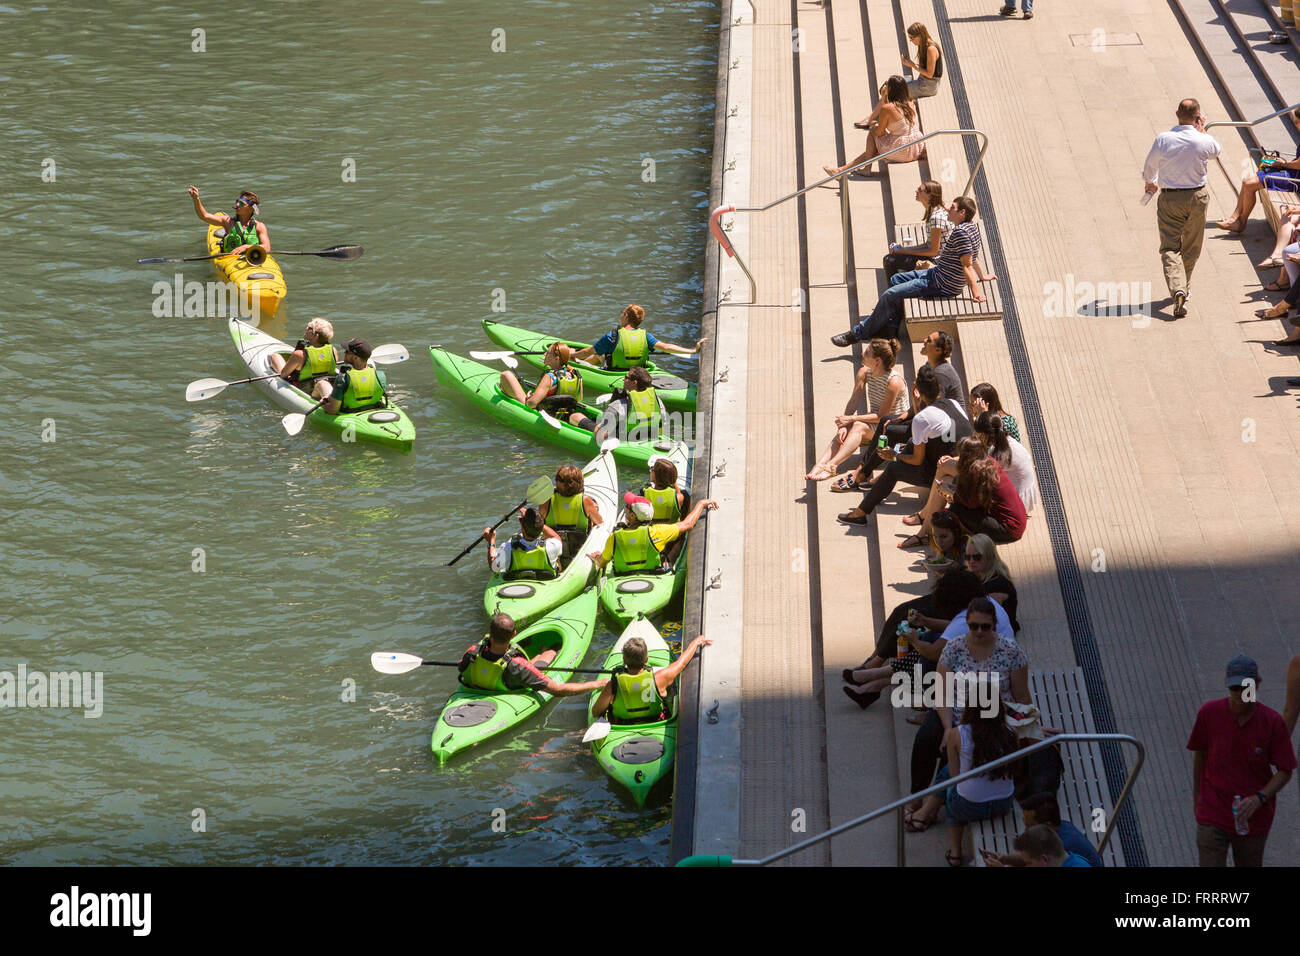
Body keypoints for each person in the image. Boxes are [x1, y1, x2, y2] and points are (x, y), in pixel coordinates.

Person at [905, 598, 1030, 821]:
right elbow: (942, 693)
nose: (979, 631)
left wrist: (1031, 725)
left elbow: (1020, 695)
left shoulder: (1011, 652)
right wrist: (946, 728)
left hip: (991, 718)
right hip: (953, 710)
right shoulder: (954, 648)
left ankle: (932, 807)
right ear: (967, 624)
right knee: (926, 738)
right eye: (973, 626)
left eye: (985, 626)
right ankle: (918, 795)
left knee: (955, 752)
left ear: (994, 625)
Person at [832, 198, 996, 345]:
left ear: (962, 212)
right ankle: (890, 330)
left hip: (941, 284)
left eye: (952, 208)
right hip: (937, 273)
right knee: (896, 279)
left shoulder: (961, 233)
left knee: (890, 294)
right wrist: (982, 276)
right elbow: (973, 256)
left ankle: (857, 334)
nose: (948, 210)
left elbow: (967, 264)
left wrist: (976, 293)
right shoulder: (971, 228)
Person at [1186, 655, 1295, 867]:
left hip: (1252, 818)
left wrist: (1259, 798)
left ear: (1257, 685)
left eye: (1245, 688)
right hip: (1213, 811)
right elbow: (1200, 756)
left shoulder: (1271, 723)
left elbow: (1285, 770)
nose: (1239, 695)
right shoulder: (1209, 714)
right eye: (1234, 688)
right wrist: (1197, 800)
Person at [830, 332, 965, 495]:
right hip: (930, 418)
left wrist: (910, 413)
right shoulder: (932, 367)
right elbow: (924, 408)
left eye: (928, 340)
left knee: (892, 431)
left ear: (937, 350)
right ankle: (863, 470)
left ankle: (861, 474)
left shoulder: (941, 375)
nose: (923, 339)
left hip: (944, 433)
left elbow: (932, 411)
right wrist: (902, 417)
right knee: (887, 420)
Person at [837, 365, 971, 525]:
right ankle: (878, 487)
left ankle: (860, 513)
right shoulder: (953, 403)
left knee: (894, 468)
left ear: (916, 388)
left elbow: (916, 460)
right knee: (908, 443)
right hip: (961, 464)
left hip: (942, 473)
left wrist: (894, 455)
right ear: (939, 388)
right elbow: (927, 423)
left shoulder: (923, 418)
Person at [908, 687, 1019, 865]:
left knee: (952, 786)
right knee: (954, 781)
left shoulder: (957, 734)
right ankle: (924, 813)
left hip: (969, 806)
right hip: (1003, 802)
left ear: (969, 707)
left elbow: (954, 776)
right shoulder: (1011, 732)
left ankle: (955, 852)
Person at [1142, 99, 1222, 318]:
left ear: (1176, 113)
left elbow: (1150, 166)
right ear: (1198, 116)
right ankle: (1183, 287)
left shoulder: (1164, 139)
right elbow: (1216, 151)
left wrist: (1149, 181)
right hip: (1198, 196)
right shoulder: (1203, 140)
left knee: (1170, 246)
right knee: (1192, 245)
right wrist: (1202, 129)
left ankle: (1178, 287)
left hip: (1170, 198)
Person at [806, 337, 910, 481]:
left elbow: (882, 416)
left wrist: (851, 419)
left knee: (858, 426)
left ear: (877, 360)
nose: (862, 354)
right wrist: (844, 424)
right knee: (847, 428)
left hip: (892, 429)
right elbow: (853, 402)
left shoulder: (894, 382)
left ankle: (831, 466)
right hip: (877, 425)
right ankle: (819, 465)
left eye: (867, 352)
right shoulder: (864, 372)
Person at [458, 612, 607, 697]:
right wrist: (597, 684)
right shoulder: (518, 666)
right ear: (514, 634)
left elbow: (461, 668)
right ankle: (547, 651)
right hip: (510, 684)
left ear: (490, 634)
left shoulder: (471, 651)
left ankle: (540, 654)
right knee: (550, 653)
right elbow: (558, 690)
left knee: (529, 665)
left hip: (478, 689)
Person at [590, 633, 712, 724]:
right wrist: (695, 643)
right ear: (646, 659)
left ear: (624, 661)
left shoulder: (612, 685)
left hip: (621, 726)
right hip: (655, 722)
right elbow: (682, 663)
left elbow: (595, 712)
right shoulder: (661, 678)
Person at [1216, 107, 1300, 233]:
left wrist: (1284, 164)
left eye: (1297, 122)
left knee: (1250, 184)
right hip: (1292, 173)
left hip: (1294, 179)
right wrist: (1283, 164)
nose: (1296, 125)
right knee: (1247, 180)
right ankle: (1234, 218)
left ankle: (1241, 222)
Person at [590, 493, 718, 574]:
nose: (625, 508)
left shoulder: (614, 537)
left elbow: (601, 563)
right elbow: (687, 524)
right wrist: (701, 504)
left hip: (623, 576)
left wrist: (596, 557)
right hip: (654, 573)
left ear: (633, 516)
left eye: (627, 507)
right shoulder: (658, 532)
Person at [823, 75, 924, 177]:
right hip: (916, 147)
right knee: (875, 148)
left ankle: (866, 169)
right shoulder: (910, 102)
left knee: (873, 132)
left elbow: (879, 133)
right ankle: (840, 171)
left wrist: (873, 125)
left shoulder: (888, 108)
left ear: (890, 89)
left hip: (902, 150)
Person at [898, 436, 988, 547]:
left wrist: (953, 495)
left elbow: (973, 501)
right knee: (945, 480)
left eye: (962, 457)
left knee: (952, 502)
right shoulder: (982, 463)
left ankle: (925, 521)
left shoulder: (980, 472)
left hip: (997, 522)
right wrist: (953, 459)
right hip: (983, 507)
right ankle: (925, 527)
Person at [572, 303, 705, 371]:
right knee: (599, 355)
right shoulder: (645, 335)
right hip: (637, 373)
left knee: (595, 355)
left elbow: (586, 352)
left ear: (625, 316)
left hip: (615, 373)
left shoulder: (612, 337)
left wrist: (571, 356)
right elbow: (666, 347)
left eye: (622, 313)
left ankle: (577, 365)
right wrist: (693, 350)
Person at [498, 342, 594, 430]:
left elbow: (531, 404)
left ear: (556, 359)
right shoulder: (576, 375)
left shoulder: (550, 377)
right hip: (566, 412)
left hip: (547, 414)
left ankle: (507, 397)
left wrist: (529, 398)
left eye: (548, 353)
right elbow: (579, 399)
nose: (544, 355)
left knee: (506, 375)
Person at [942, 457, 1028, 545]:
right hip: (1018, 520)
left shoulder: (981, 475)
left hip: (1010, 530)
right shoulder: (989, 463)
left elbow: (971, 504)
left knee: (957, 509)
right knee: (958, 480)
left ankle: (965, 544)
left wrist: (953, 495)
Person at [883, 181, 951, 280]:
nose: (916, 191)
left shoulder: (936, 218)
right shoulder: (933, 211)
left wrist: (905, 252)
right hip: (935, 257)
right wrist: (904, 250)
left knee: (889, 260)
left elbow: (933, 251)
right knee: (895, 255)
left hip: (937, 263)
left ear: (930, 196)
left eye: (920, 190)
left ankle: (893, 293)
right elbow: (928, 244)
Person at [539, 464, 604, 562]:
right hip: (579, 547)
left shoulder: (546, 500)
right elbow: (599, 522)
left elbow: (539, 523)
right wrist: (594, 508)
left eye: (557, 478)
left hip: (554, 547)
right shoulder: (586, 500)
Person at [1018, 793, 1104, 868]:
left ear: (1047, 826)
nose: (1026, 831)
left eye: (1030, 826)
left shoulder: (1062, 846)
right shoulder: (1062, 826)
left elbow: (1031, 859)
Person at [975, 411, 1038, 512]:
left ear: (986, 436)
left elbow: (980, 474)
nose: (977, 437)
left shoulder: (1001, 456)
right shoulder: (1006, 442)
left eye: (979, 434)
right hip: (1022, 492)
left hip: (1017, 503)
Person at [483, 507, 563, 580]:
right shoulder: (552, 546)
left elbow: (494, 568)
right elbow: (556, 537)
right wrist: (536, 522)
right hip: (544, 583)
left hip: (517, 587)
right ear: (541, 528)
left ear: (522, 527)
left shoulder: (507, 548)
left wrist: (491, 541)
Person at [188, 186, 270, 257]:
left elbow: (267, 247)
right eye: (237, 201)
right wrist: (196, 198)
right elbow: (204, 216)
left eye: (241, 204)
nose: (237, 205)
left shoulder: (259, 226)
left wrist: (246, 247)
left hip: (253, 259)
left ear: (251, 209)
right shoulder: (227, 221)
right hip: (230, 260)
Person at [639, 456, 690, 565]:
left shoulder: (644, 493)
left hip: (652, 536)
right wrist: (673, 482)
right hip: (671, 536)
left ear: (655, 475)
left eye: (652, 470)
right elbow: (679, 494)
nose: (650, 472)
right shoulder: (679, 497)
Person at [316, 339, 389, 415]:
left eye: (347, 352)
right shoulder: (380, 375)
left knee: (321, 383)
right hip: (373, 409)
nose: (344, 352)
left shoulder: (343, 378)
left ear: (355, 358)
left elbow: (332, 410)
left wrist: (322, 402)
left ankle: (311, 400)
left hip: (348, 412)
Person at [598, 366, 669, 444]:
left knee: (582, 418)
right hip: (651, 439)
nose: (623, 379)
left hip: (625, 442)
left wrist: (598, 427)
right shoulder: (657, 401)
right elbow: (663, 422)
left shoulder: (618, 405)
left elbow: (600, 436)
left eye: (626, 377)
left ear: (634, 382)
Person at [964, 534, 1019, 633]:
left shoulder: (996, 585)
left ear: (989, 556)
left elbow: (985, 619)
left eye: (977, 557)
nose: (971, 561)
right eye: (968, 557)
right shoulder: (981, 575)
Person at [983, 825, 1094, 867]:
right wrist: (1005, 859)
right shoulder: (1062, 857)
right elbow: (1031, 859)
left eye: (1029, 863)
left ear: (1044, 859)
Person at [271, 317, 339, 382]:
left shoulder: (299, 354)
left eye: (310, 328)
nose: (306, 328)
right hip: (324, 381)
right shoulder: (333, 350)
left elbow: (283, 375)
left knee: (275, 356)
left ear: (316, 336)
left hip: (302, 386)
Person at [901, 23, 943, 101]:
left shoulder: (931, 49)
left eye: (912, 38)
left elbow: (930, 74)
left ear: (919, 35)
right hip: (924, 81)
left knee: (896, 91)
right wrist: (910, 63)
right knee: (894, 86)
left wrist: (912, 65)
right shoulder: (923, 45)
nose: (911, 41)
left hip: (928, 86)